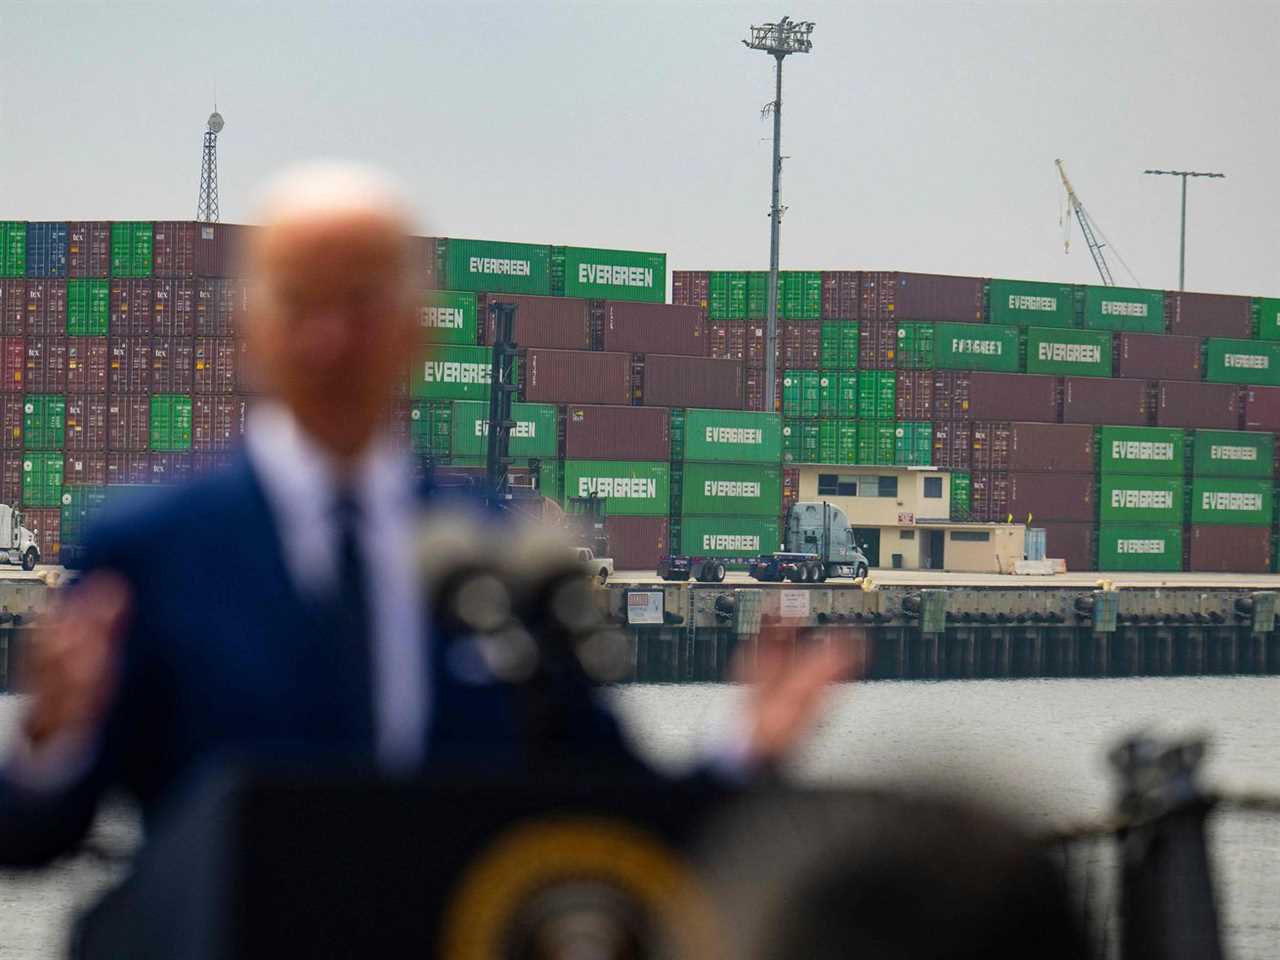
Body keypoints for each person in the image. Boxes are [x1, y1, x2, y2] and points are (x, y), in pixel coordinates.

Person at [0, 164, 853, 866]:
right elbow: (33, 838)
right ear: (251, 330)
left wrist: (743, 754)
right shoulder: (147, 547)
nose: (332, 340)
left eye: (363, 305)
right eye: (303, 304)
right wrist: (46, 740)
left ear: (418, 330)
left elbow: (613, 807)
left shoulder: (509, 549)